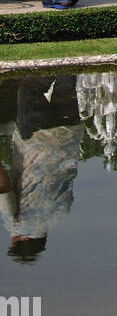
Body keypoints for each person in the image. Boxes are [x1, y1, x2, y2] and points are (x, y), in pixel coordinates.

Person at [0, 75, 83, 262]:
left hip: (69, 137)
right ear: (19, 241)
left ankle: (67, 49)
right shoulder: (16, 226)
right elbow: (3, 187)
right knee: (30, 87)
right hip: (37, 140)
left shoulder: (61, 213)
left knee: (66, 82)